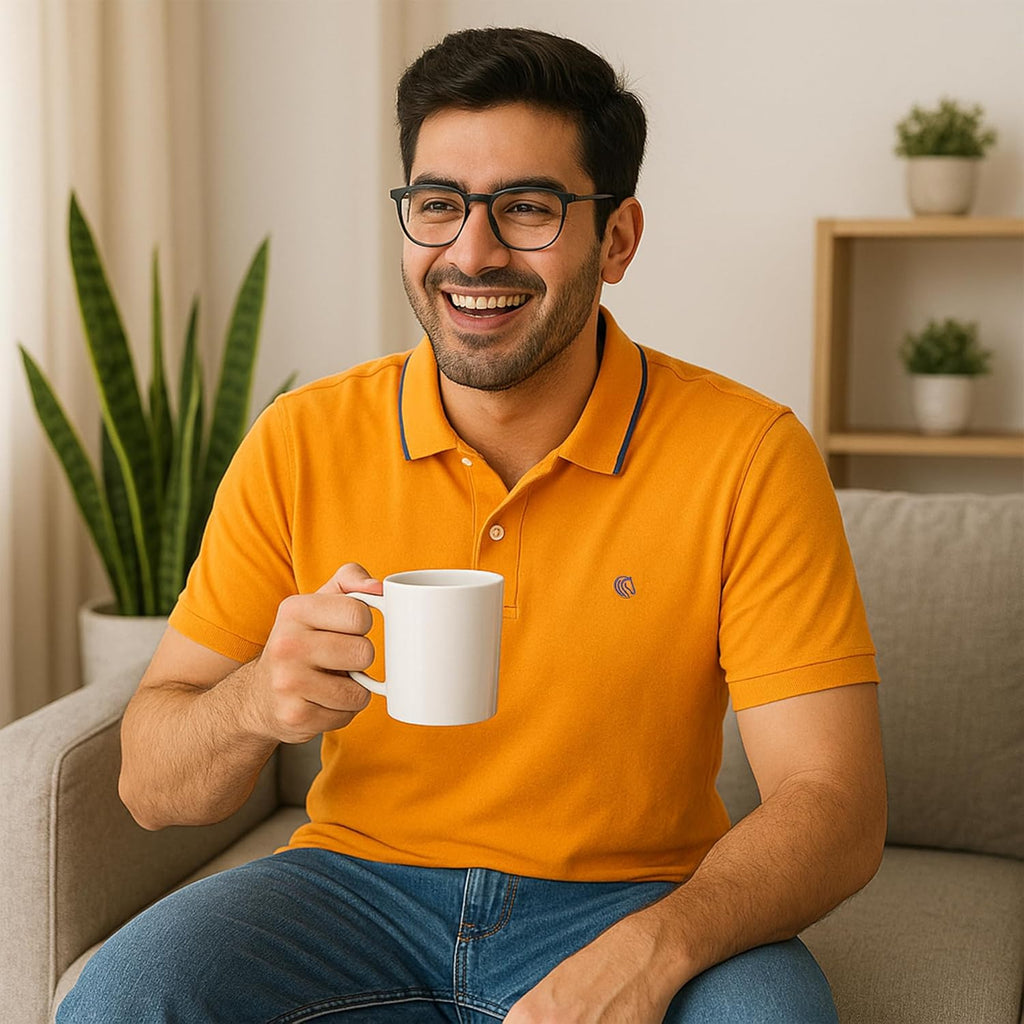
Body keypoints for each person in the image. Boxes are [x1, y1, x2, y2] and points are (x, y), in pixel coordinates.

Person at [59, 26, 885, 1024]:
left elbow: (834, 807)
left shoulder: (747, 453)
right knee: (118, 1000)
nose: (472, 252)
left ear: (615, 238)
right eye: (438, 205)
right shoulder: (301, 438)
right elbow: (150, 787)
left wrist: (652, 947)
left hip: (637, 895)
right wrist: (251, 705)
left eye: (527, 209)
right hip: (351, 891)